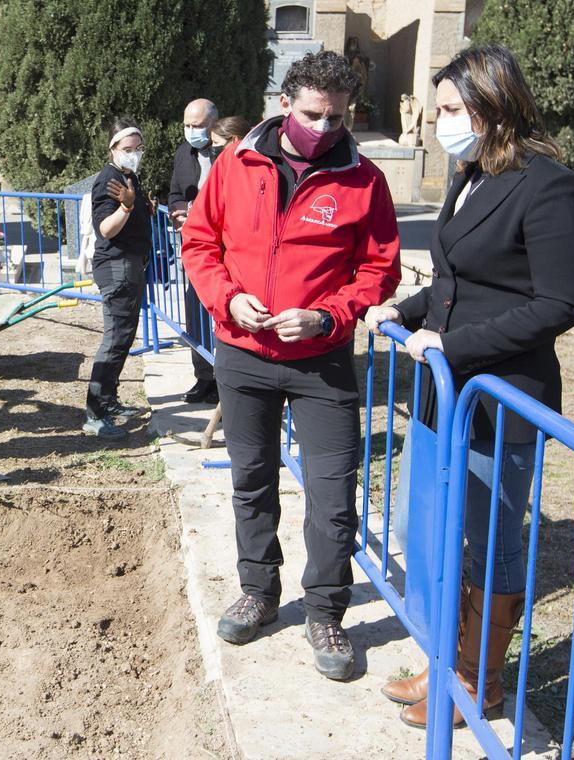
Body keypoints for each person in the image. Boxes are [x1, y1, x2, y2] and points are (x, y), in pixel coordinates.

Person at [366, 44, 574, 728]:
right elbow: (459, 279)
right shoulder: (471, 175)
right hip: (445, 392)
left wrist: (454, 344)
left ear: (494, 108)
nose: (439, 123)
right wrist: (404, 312)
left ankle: (477, 678)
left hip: (500, 396)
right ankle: (444, 656)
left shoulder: (549, 185)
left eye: (451, 110)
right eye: (437, 110)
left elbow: (559, 304)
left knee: (486, 541)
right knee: (417, 524)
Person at [182, 51, 401, 681]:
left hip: (322, 364)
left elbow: (378, 268)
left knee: (333, 497)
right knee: (252, 479)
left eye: (337, 118)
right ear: (285, 105)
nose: (325, 128)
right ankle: (259, 591)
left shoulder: (365, 181)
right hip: (244, 356)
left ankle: (327, 610)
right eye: (312, 115)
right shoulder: (235, 162)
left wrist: (330, 317)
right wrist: (228, 298)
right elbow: (200, 242)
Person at [84, 116, 154, 440]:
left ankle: (109, 401)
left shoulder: (129, 176)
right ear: (113, 148)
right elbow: (105, 228)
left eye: (139, 148)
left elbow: (130, 209)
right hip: (117, 267)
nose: (134, 153)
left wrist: (142, 208)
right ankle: (95, 415)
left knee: (124, 339)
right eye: (128, 148)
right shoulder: (109, 180)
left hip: (130, 265)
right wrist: (126, 209)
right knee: (114, 340)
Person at [166, 100, 225, 405]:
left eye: (197, 125)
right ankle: (203, 377)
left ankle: (227, 378)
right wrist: (177, 213)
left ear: (213, 124)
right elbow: (175, 193)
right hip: (196, 248)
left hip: (228, 249)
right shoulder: (182, 153)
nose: (191, 131)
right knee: (195, 312)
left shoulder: (230, 153)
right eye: (187, 125)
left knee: (225, 314)